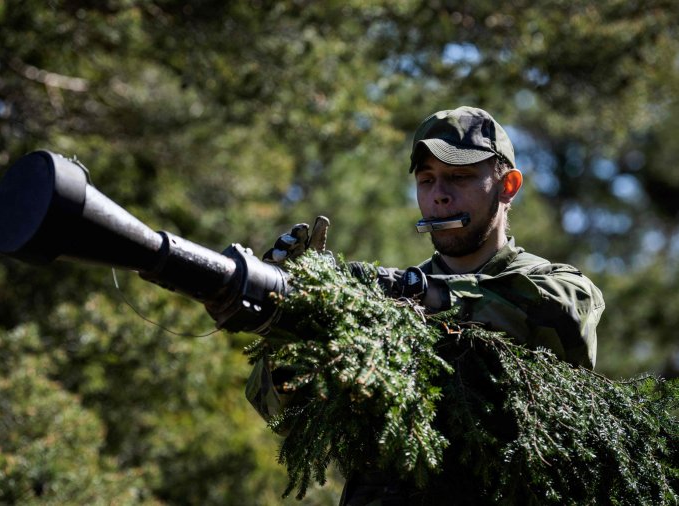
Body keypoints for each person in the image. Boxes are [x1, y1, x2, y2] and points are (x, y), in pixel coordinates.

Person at [248, 106, 605, 504]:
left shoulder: (556, 283)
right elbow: (284, 416)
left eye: (459, 176)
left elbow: (559, 319)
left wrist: (424, 294)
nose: (439, 195)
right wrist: (288, 319)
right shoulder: (387, 300)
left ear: (508, 186)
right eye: (426, 179)